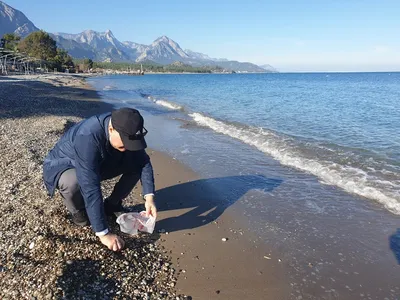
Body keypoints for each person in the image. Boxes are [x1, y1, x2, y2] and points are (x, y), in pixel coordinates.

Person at [43, 107, 157, 252]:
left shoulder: (128, 126)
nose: (127, 147)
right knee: (73, 182)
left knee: (135, 165)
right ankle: (79, 213)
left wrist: (149, 198)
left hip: (101, 160)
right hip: (66, 163)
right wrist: (104, 233)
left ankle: (111, 205)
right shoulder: (88, 136)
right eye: (124, 143)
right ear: (111, 129)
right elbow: (90, 186)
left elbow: (143, 162)